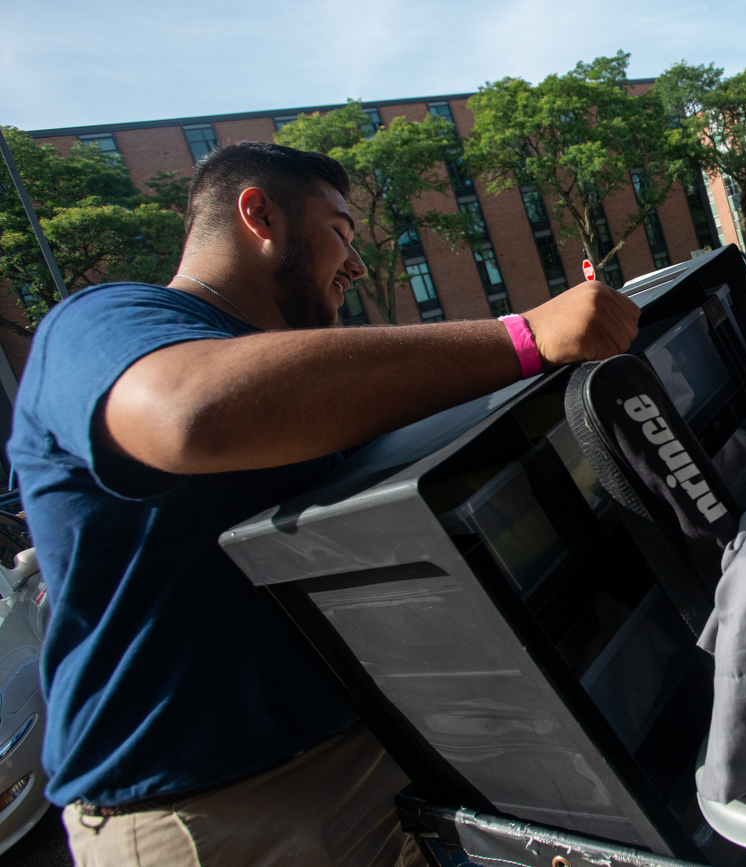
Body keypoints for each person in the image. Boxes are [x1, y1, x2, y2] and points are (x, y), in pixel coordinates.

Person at [6, 142, 640, 866]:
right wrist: (525, 337)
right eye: (340, 230)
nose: (357, 263)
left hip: (381, 764)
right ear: (258, 214)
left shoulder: (315, 380)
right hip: (206, 812)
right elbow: (190, 411)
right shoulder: (103, 320)